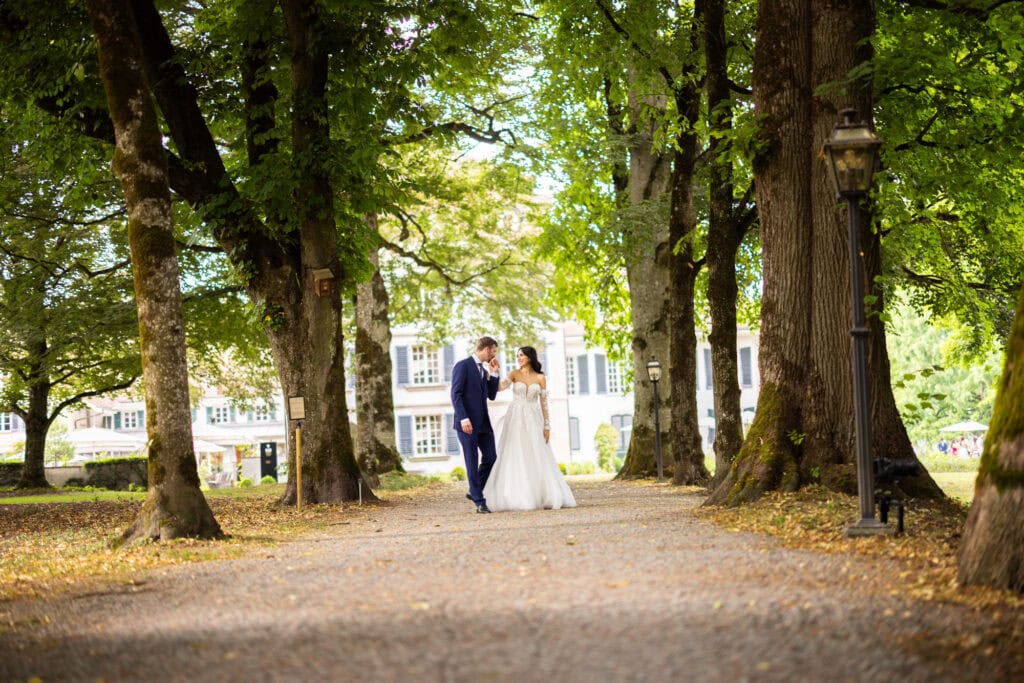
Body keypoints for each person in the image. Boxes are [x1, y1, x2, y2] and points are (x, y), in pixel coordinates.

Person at [482, 346, 576, 512]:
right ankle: (516, 496)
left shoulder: (540, 378)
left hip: (534, 418)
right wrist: (494, 372)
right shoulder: (514, 374)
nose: (519, 358)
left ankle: (543, 494)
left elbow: (544, 403)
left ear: (530, 357)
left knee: (537, 452)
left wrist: (547, 426)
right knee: (515, 452)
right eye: (517, 355)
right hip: (515, 417)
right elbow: (499, 387)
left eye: (522, 355)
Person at [450, 336, 501, 514]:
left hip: (484, 424)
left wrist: (494, 374)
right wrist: (463, 418)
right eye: (493, 351)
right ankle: (480, 502)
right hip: (467, 424)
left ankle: (474, 490)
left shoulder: (485, 370)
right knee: (472, 462)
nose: (494, 355)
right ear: (486, 349)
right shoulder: (462, 366)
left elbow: (492, 395)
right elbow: (455, 394)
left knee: (491, 456)